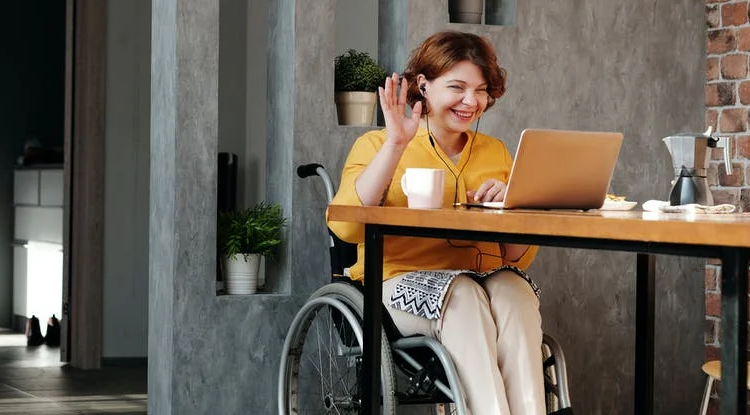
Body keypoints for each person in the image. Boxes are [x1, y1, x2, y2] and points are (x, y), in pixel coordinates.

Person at [327, 31, 544, 415]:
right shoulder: (377, 145)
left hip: (485, 279)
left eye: (480, 90)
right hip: (396, 281)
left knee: (516, 293)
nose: (470, 101)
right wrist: (396, 144)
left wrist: (512, 204)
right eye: (457, 87)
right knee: (463, 297)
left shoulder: (495, 152)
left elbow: (514, 255)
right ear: (424, 86)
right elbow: (345, 227)